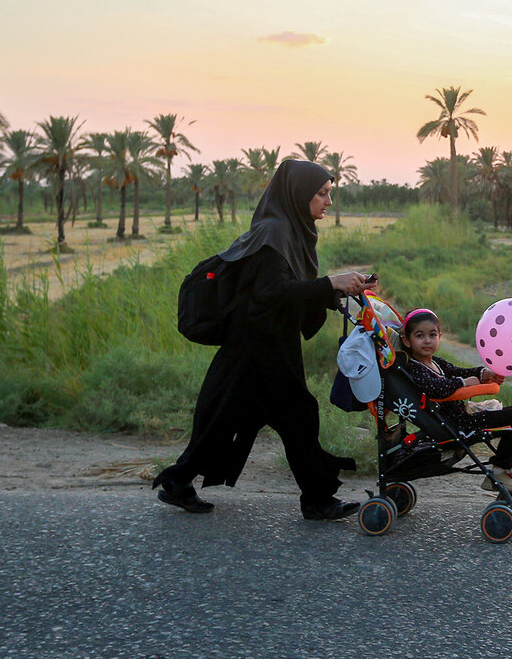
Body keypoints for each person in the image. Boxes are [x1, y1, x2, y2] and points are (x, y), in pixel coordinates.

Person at [153, 159, 376, 520]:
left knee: (229, 419)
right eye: (322, 194)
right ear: (298, 194)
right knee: (294, 416)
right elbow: (269, 293)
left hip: (268, 345)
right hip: (256, 349)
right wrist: (330, 282)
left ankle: (178, 481)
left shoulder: (289, 230)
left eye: (329, 194)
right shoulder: (274, 232)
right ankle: (316, 499)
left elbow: (289, 292)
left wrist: (334, 293)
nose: (328, 202)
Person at [398, 308, 512, 493]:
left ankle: (507, 467)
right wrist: (462, 383)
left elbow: (457, 371)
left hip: (462, 417)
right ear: (407, 341)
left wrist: (483, 373)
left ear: (440, 336)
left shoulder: (435, 362)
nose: (427, 340)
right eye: (420, 336)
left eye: (432, 335)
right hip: (456, 425)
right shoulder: (414, 368)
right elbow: (434, 388)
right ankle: (499, 472)